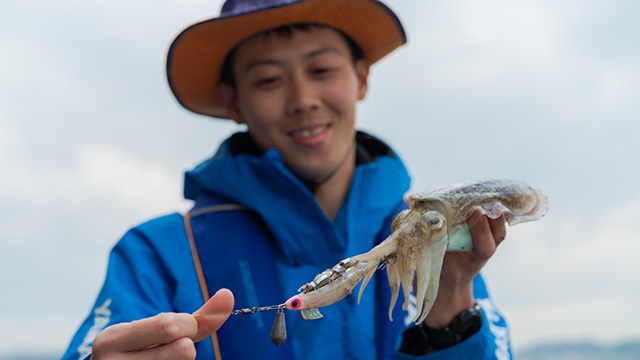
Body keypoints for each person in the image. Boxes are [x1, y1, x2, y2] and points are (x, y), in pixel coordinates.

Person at [62, 0, 513, 359]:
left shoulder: (440, 243)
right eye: (269, 80)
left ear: (360, 78)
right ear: (233, 101)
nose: (303, 99)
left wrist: (452, 306)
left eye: (321, 70)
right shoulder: (154, 254)